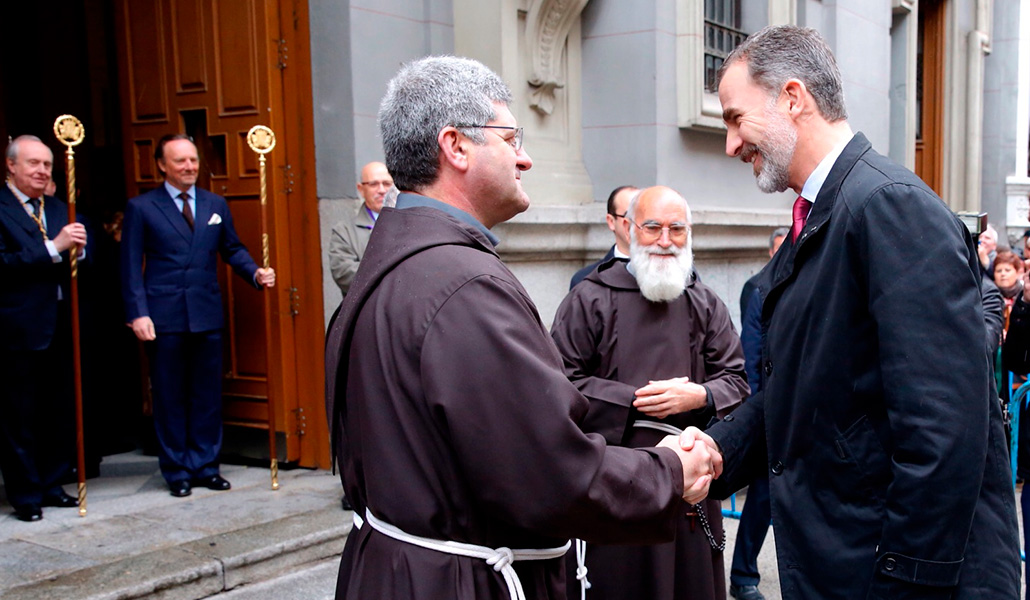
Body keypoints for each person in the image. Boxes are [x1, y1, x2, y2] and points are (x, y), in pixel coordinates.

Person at [324, 55, 720, 600]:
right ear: (456, 146)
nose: (526, 158)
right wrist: (671, 470)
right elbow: (551, 476)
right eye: (511, 139)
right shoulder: (464, 285)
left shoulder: (398, 257)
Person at [691, 25, 1020, 598]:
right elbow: (804, 387)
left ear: (794, 98)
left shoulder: (887, 206)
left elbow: (942, 431)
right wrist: (721, 450)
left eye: (735, 118)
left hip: (891, 576)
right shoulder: (825, 213)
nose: (730, 143)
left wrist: (902, 583)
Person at [551, 185, 749, 600]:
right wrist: (635, 401)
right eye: (653, 227)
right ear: (629, 228)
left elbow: (736, 379)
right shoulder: (588, 298)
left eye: (677, 229)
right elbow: (560, 383)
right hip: (616, 481)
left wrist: (698, 396)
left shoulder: (704, 302)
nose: (665, 240)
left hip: (691, 487)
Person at [121, 134, 275, 498]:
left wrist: (254, 272)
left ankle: (206, 465)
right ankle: (176, 470)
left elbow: (231, 248)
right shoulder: (142, 208)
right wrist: (137, 314)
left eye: (193, 161)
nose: (190, 167)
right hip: (164, 317)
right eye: (180, 162)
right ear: (162, 165)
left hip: (206, 315)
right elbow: (129, 267)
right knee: (171, 396)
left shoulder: (214, 203)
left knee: (207, 395)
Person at [0, 135, 86, 521]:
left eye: (47, 165)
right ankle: (26, 494)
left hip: (60, 323)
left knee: (59, 410)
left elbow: (84, 248)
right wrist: (55, 247)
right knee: (19, 417)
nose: (42, 171)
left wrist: (80, 249)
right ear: (11, 166)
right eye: (33, 164)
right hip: (16, 328)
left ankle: (52, 483)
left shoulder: (57, 206)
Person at [728, 225, 786, 600]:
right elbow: (752, 354)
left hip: (808, 412)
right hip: (771, 410)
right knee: (763, 497)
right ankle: (743, 576)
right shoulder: (758, 286)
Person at [327, 161, 393, 295]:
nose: (381, 190)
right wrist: (393, 277)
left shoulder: (410, 224)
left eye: (386, 184)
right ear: (361, 189)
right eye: (373, 184)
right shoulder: (344, 231)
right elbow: (344, 273)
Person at [568, 185, 637, 289]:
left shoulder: (667, 273)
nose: (640, 223)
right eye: (630, 216)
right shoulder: (586, 279)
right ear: (611, 222)